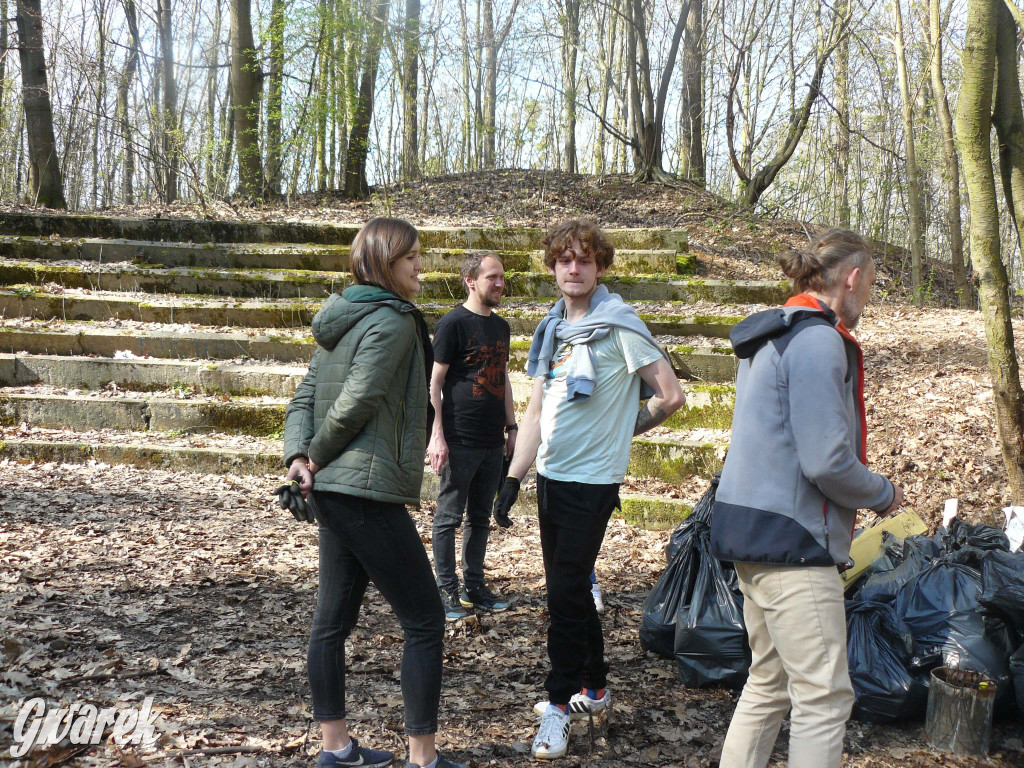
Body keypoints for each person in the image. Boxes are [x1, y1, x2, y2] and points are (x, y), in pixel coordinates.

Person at [710, 228, 904, 768]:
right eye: (870, 286)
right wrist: (884, 494)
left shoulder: (773, 336)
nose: (867, 298)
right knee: (824, 698)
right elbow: (826, 462)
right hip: (795, 546)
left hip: (751, 534)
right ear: (853, 278)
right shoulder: (817, 340)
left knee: (768, 682)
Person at [492, 219, 686, 760]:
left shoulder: (619, 326)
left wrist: (625, 427)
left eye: (584, 259)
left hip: (593, 482)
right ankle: (595, 688)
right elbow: (535, 410)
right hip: (552, 477)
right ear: (552, 267)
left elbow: (670, 396)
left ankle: (558, 706)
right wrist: (513, 479)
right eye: (564, 260)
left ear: (600, 266)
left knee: (562, 594)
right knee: (571, 591)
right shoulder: (553, 328)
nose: (573, 268)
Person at [282, 217, 468, 768]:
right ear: (385, 262)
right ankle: (423, 759)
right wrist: (310, 458)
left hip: (335, 491)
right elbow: (355, 401)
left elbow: (303, 399)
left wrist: (300, 458)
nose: (420, 267)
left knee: (331, 624)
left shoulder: (343, 321)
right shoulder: (390, 321)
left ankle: (335, 749)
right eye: (411, 256)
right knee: (426, 621)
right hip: (362, 490)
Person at [428, 252, 516, 620]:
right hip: (459, 437)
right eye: (492, 277)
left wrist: (512, 427)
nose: (499, 284)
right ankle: (445, 590)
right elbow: (433, 382)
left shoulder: (502, 327)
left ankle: (474, 586)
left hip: (493, 440)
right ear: (471, 280)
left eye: (501, 278)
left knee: (480, 517)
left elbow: (504, 377)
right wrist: (437, 435)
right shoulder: (453, 324)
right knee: (448, 516)